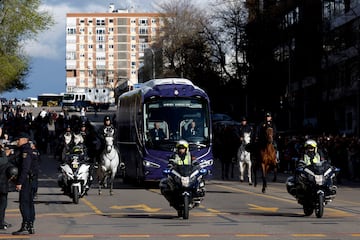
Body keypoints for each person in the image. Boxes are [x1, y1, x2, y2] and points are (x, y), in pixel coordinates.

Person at [12, 132, 39, 235]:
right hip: (33, 181)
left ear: (24, 139)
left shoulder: (25, 152)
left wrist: (20, 182)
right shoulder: (32, 150)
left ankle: (26, 225)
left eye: (18, 140)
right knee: (30, 204)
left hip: (27, 181)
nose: (17, 142)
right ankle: (30, 225)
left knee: (24, 204)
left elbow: (25, 168)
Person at [0, 143, 17, 230]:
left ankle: (1, 221)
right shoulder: (3, 160)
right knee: (2, 205)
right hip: (2, 185)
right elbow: (5, 160)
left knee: (3, 205)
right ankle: (1, 222)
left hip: (3, 185)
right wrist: (5, 153)